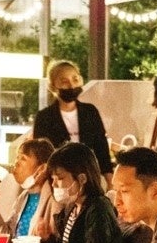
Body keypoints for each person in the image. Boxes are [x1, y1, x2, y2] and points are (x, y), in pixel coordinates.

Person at [37, 142, 132, 243]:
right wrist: (48, 239)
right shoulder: (72, 207)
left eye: (59, 178)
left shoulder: (99, 209)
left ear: (82, 179)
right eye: (52, 179)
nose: (53, 184)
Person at [33, 60, 114, 188]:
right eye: (64, 81)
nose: (71, 85)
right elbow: (41, 154)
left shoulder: (90, 112)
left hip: (88, 178)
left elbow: (101, 147)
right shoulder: (44, 117)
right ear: (53, 86)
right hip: (57, 181)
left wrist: (109, 179)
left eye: (75, 79)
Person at [0, 138, 56, 238]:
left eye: (23, 158)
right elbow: (8, 236)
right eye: (17, 158)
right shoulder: (24, 196)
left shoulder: (54, 199)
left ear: (42, 168)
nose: (16, 163)